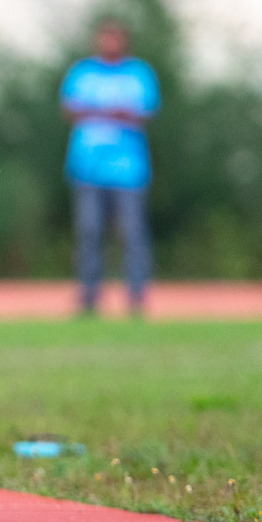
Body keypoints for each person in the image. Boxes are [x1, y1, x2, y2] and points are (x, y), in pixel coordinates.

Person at [60, 18, 160, 317]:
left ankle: (136, 297)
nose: (110, 44)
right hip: (87, 168)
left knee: (132, 233)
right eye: (105, 37)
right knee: (89, 233)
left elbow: (144, 113)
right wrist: (114, 112)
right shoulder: (82, 72)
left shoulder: (139, 73)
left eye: (115, 38)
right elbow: (69, 109)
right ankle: (89, 298)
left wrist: (96, 110)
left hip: (129, 170)